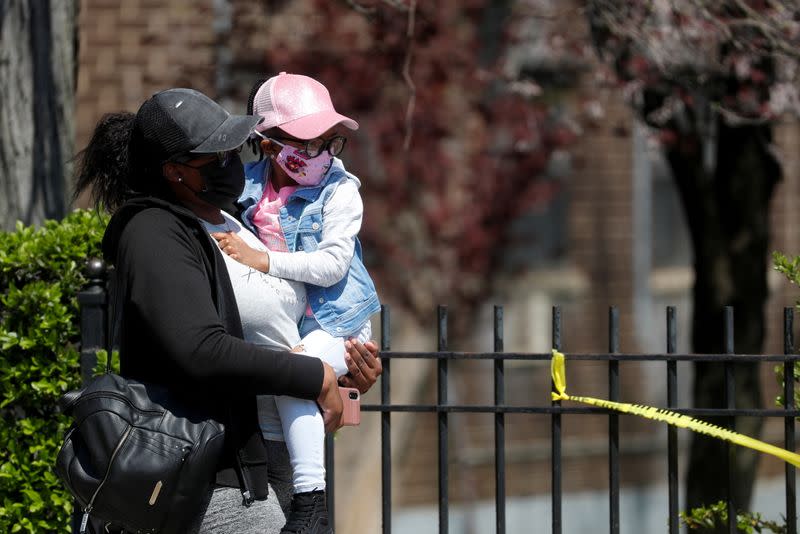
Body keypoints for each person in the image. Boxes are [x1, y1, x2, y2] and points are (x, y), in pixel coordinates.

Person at [73, 88, 381, 534]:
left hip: (270, 458)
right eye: (215, 157)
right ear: (175, 171)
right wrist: (313, 375)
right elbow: (198, 348)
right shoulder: (153, 232)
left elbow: (278, 332)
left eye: (233, 149)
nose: (232, 163)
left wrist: (346, 373)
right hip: (209, 475)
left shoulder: (238, 220)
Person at [208, 72, 380, 528]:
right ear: (267, 143)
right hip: (285, 341)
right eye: (306, 144)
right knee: (292, 372)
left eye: (329, 142)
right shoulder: (242, 189)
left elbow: (331, 267)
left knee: (296, 374)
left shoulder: (340, 191)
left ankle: (311, 504)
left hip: (337, 321)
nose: (321, 154)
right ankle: (308, 503)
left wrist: (261, 260)